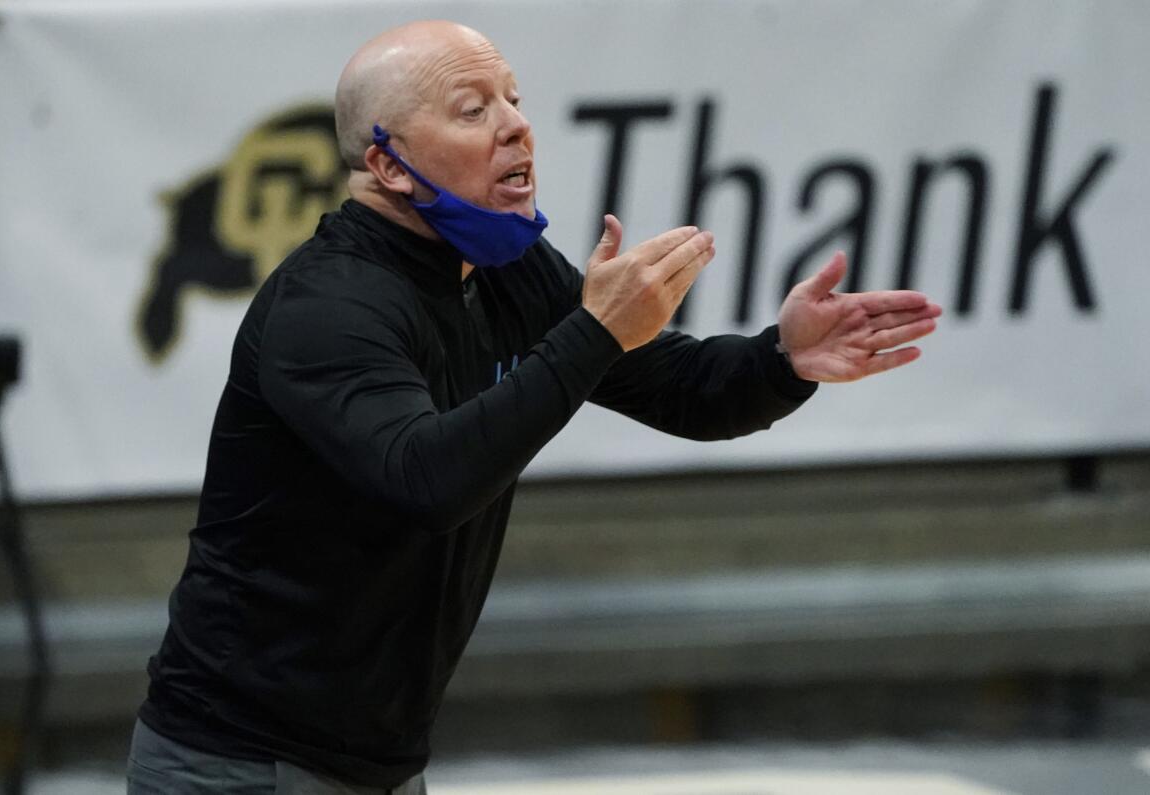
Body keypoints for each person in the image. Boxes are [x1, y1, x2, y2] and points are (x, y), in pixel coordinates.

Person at [127, 19, 941, 795]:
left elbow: (683, 387)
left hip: (373, 754)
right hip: (236, 758)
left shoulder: (506, 268)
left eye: (513, 98)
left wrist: (783, 357)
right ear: (391, 167)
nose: (517, 126)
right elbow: (429, 481)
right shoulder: (327, 306)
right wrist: (592, 333)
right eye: (474, 110)